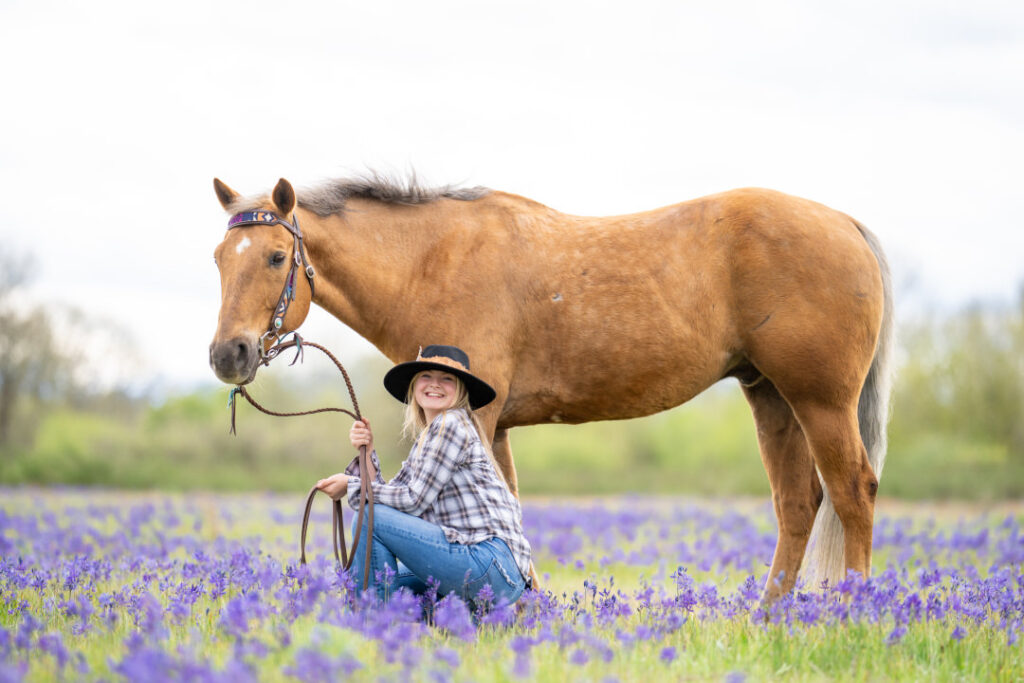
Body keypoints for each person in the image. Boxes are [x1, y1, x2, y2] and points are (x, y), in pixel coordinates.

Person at [316, 345, 531, 606]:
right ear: (415, 386)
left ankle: (373, 624)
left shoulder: (450, 425)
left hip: (489, 564)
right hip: (491, 571)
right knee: (372, 581)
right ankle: (460, 616)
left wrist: (351, 486)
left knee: (367, 519)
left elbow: (411, 501)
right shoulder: (429, 438)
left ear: (461, 389)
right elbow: (390, 504)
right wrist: (368, 451)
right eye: (426, 377)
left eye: (447, 379)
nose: (435, 385)